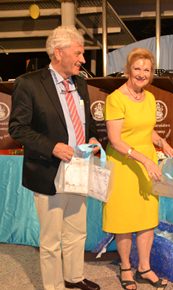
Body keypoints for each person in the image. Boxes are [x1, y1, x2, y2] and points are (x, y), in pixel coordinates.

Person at [8, 26, 100, 290]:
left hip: (80, 167)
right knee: (51, 240)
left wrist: (93, 138)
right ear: (58, 53)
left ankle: (74, 277)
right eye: (78, 53)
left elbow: (87, 122)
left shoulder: (80, 82)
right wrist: (52, 147)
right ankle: (54, 286)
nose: (82, 59)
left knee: (77, 229)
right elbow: (18, 128)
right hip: (49, 169)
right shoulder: (29, 83)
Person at [102, 47, 173, 290]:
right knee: (124, 220)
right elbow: (116, 140)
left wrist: (162, 142)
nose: (142, 74)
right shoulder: (115, 98)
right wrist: (144, 160)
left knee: (146, 219)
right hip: (124, 166)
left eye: (147, 69)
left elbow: (145, 130)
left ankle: (144, 267)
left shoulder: (151, 97)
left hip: (147, 165)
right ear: (128, 70)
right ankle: (125, 267)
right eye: (137, 69)